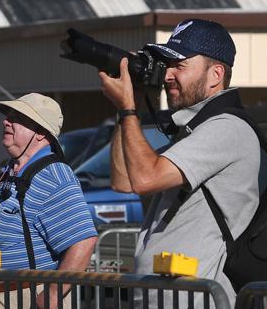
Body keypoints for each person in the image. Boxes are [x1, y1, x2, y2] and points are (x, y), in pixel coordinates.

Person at [99, 19, 258, 304]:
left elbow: (146, 178)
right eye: (165, 65)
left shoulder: (227, 129)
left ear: (215, 74)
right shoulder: (195, 130)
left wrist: (128, 109)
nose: (168, 75)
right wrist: (124, 107)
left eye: (179, 65)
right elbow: (124, 182)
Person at [0, 94, 97, 309]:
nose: (6, 121)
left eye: (17, 118)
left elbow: (83, 241)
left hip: (29, 297)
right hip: (2, 295)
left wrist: (53, 295)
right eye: (8, 116)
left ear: (40, 133)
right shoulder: (11, 171)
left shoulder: (53, 175)